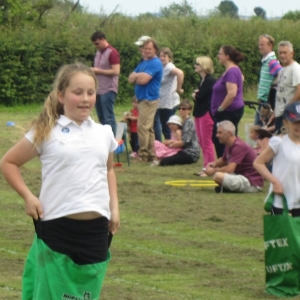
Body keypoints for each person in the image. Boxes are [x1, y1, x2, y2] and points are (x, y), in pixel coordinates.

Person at [0, 63, 120, 299]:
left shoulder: (104, 132)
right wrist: (28, 196)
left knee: (85, 293)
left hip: (96, 231)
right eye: (78, 92)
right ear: (61, 95)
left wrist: (114, 209)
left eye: (90, 92)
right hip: (57, 227)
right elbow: (8, 163)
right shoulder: (46, 131)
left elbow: (108, 170)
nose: (85, 99)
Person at [254, 102, 300, 216]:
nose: (298, 125)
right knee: (281, 234)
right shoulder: (279, 142)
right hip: (281, 199)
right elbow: (258, 163)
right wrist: (275, 182)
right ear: (286, 122)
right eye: (295, 122)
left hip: (298, 200)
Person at [128, 38, 163, 162]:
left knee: (142, 127)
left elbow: (143, 81)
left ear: (155, 50)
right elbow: (130, 78)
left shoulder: (155, 63)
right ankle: (151, 153)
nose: (147, 51)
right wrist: (139, 76)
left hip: (149, 99)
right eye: (145, 48)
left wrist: (138, 76)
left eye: (149, 48)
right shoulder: (143, 62)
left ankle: (143, 154)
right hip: (143, 99)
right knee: (148, 128)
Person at [205, 120, 263, 193]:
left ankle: (227, 189)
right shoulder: (230, 144)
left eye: (220, 132)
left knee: (218, 176)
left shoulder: (238, 146)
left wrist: (213, 171)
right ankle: (227, 189)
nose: (217, 135)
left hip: (251, 183)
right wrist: (213, 164)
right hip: (242, 177)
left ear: (229, 133)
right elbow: (224, 160)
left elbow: (229, 169)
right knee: (220, 176)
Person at [211, 45, 245, 158]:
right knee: (218, 137)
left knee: (223, 138)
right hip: (226, 110)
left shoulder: (232, 71)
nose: (218, 56)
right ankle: (223, 162)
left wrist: (220, 108)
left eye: (220, 54)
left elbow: (232, 94)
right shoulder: (230, 71)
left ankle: (227, 163)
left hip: (228, 111)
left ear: (227, 56)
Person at [91, 31, 120, 136]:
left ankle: (113, 142)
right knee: (101, 117)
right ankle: (105, 140)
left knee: (108, 117)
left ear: (103, 40)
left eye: (97, 43)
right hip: (98, 89)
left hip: (108, 89)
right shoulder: (98, 53)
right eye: (94, 44)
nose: (96, 46)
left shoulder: (112, 52)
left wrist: (97, 71)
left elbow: (116, 71)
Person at [192, 56, 216, 176]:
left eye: (198, 64)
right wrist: (196, 94)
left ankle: (210, 167)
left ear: (204, 66)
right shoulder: (202, 80)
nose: (195, 66)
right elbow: (198, 95)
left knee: (207, 142)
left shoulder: (210, 81)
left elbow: (200, 97)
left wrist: (196, 95)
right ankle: (205, 166)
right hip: (198, 112)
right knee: (201, 141)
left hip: (206, 113)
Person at [154, 47, 184, 141]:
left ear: (169, 57)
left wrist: (179, 88)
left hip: (168, 103)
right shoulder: (162, 67)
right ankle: (162, 145)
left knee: (167, 127)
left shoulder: (169, 67)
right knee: (161, 125)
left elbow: (180, 73)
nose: (162, 58)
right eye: (160, 56)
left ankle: (171, 146)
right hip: (162, 102)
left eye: (164, 56)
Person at [160, 100, 200, 166]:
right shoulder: (184, 122)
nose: (181, 110)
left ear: (189, 110)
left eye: (184, 109)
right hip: (184, 151)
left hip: (191, 153)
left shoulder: (189, 122)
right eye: (179, 108)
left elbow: (185, 142)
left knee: (165, 161)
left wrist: (170, 144)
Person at [255, 34, 282, 126]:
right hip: (264, 101)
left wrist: (272, 89)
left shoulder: (272, 61)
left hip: (267, 102)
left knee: (260, 128)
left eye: (262, 44)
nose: (260, 47)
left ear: (270, 45)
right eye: (259, 44)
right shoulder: (266, 61)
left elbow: (281, 75)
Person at [274, 41, 300, 133]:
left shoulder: (295, 69)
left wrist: (288, 107)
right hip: (280, 113)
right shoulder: (282, 70)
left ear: (292, 54)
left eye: (285, 52)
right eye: (280, 53)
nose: (282, 55)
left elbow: (299, 90)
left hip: (289, 114)